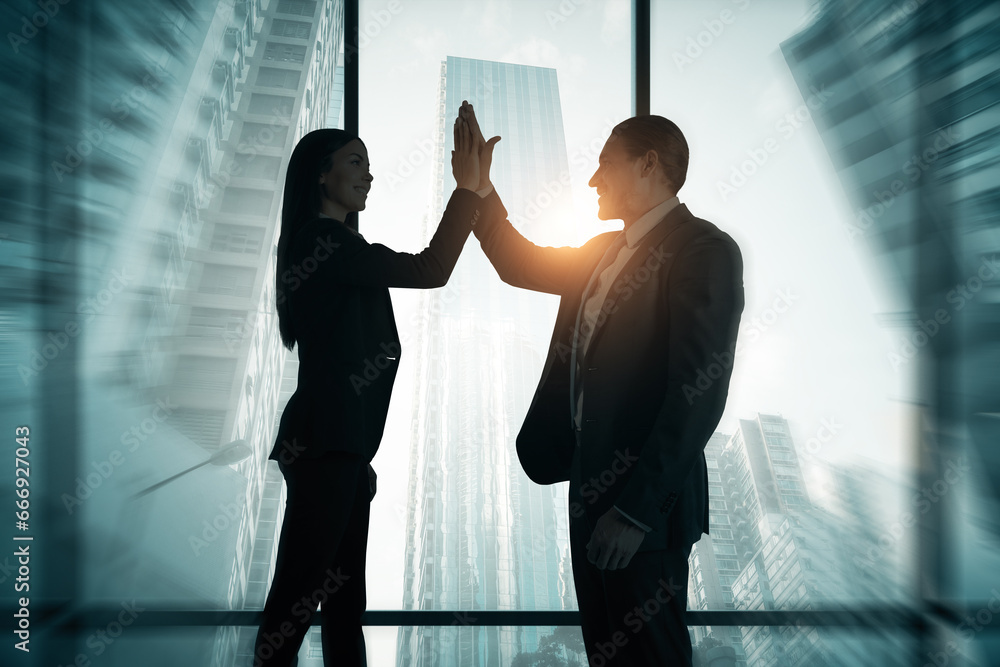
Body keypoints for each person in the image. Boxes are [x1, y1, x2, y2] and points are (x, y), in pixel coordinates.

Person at [460, 101, 745, 665]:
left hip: (646, 507)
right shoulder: (600, 253)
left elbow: (698, 390)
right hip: (589, 492)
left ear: (648, 164)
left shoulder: (704, 250)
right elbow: (519, 264)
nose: (593, 178)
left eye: (605, 163)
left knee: (652, 655)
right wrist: (479, 191)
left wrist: (637, 511)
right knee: (607, 655)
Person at [252, 112, 487, 666]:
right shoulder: (324, 241)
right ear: (319, 174)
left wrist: (357, 463)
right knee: (300, 599)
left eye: (370, 165)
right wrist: (469, 190)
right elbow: (431, 268)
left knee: (340, 604)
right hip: (327, 447)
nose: (369, 175)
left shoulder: (329, 247)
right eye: (355, 162)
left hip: (342, 450)